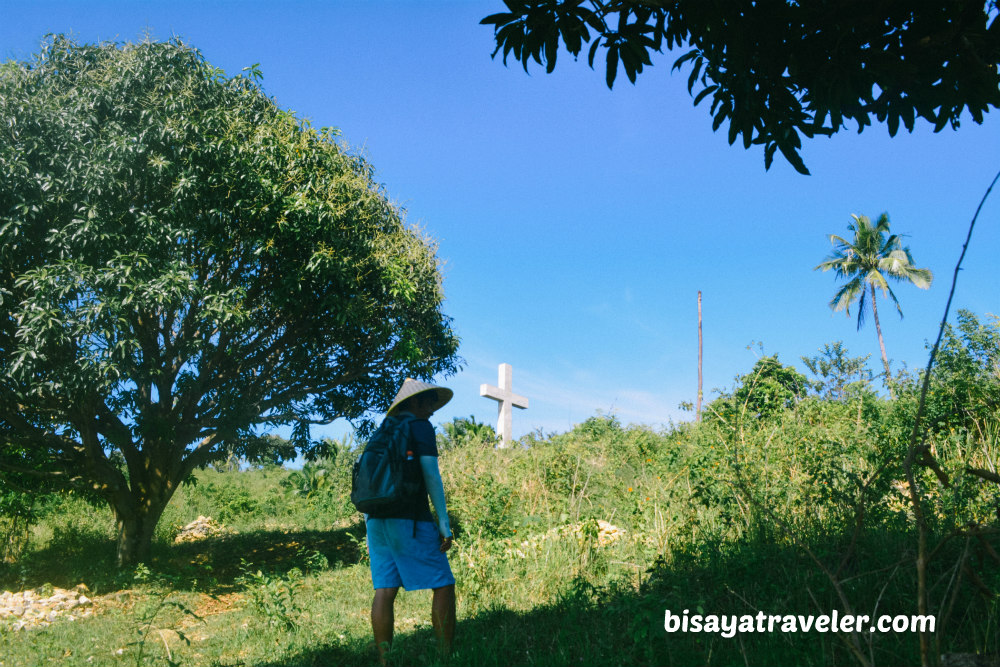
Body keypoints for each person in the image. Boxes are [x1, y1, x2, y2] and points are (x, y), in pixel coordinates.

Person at [366, 378, 455, 664]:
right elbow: (431, 475)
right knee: (443, 584)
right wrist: (444, 523)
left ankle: (385, 660)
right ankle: (445, 656)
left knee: (385, 589)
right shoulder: (420, 427)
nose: (432, 409)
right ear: (413, 403)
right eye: (428, 402)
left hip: (375, 519)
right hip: (409, 518)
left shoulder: (383, 430)